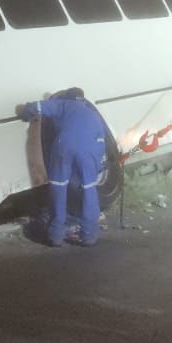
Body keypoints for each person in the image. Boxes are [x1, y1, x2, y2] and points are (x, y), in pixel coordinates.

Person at [17, 88, 109, 247]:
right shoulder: (92, 113)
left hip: (63, 147)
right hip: (91, 150)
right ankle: (88, 236)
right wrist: (96, 168)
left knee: (58, 190)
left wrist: (25, 112)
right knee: (89, 190)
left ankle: (55, 236)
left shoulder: (63, 104)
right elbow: (102, 142)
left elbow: (36, 107)